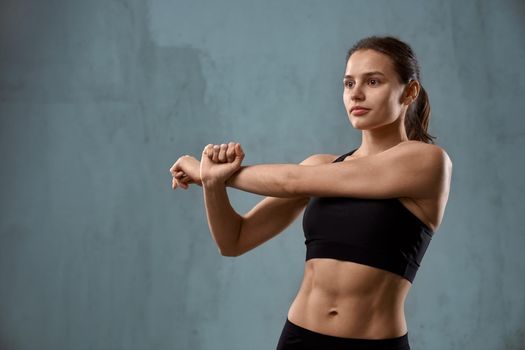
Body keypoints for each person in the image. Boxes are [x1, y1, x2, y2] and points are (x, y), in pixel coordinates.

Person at [169, 36, 452, 350]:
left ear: (410, 91)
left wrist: (205, 171)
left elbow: (291, 181)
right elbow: (233, 240)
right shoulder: (322, 167)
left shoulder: (426, 162)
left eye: (373, 81)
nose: (356, 94)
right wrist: (211, 183)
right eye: (348, 83)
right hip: (299, 338)